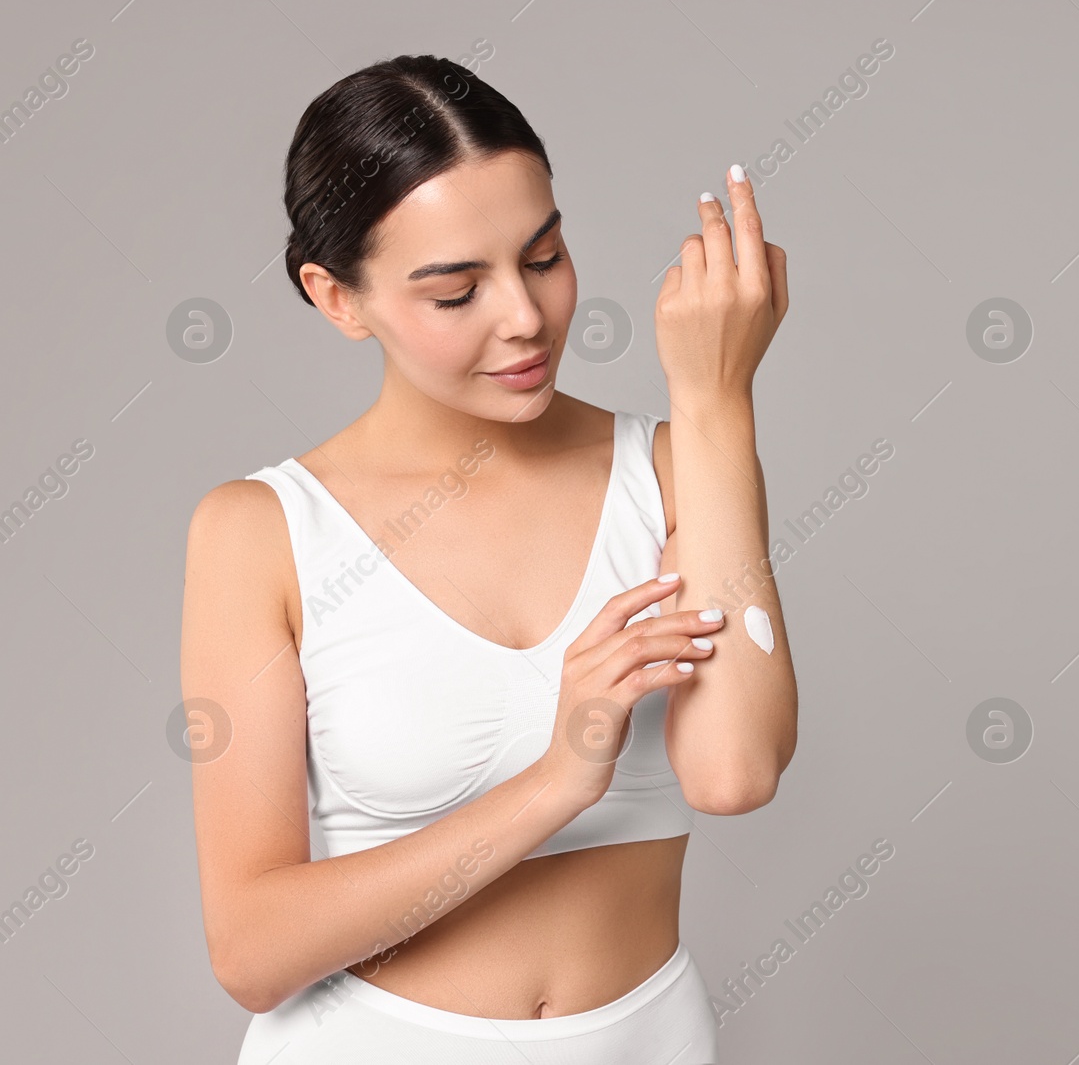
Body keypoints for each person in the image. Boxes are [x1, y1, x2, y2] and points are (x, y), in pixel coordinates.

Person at [179, 53, 797, 1064]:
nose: (523, 317)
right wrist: (558, 776)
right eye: (456, 290)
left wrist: (717, 397)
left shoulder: (679, 466)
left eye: (544, 257)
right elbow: (252, 950)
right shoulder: (261, 530)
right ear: (338, 298)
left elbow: (733, 770)